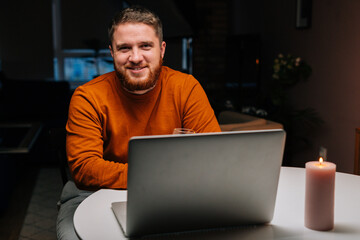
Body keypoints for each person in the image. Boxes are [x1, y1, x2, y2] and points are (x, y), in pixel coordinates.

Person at [57, 6, 220, 239]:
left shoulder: (186, 88)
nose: (135, 58)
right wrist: (161, 177)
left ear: (162, 50)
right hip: (93, 194)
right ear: (112, 52)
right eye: (124, 48)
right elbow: (86, 169)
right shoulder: (88, 96)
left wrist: (163, 182)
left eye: (145, 46)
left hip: (174, 193)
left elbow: (213, 155)